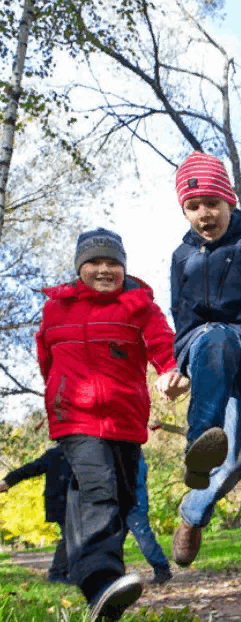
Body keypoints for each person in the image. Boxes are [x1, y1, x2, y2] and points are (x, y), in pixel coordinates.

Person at [36, 228, 188, 621]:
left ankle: (103, 599)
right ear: (79, 268)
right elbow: (46, 359)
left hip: (124, 418)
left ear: (123, 269)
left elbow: (163, 346)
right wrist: (54, 396)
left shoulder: (139, 307)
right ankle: (102, 581)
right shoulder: (57, 309)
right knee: (99, 493)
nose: (104, 270)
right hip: (75, 419)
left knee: (120, 502)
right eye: (95, 262)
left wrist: (173, 372)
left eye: (112, 263)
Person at [169, 152, 241, 568]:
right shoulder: (182, 257)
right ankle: (199, 438)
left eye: (211, 204)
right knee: (214, 339)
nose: (204, 215)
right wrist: (180, 366)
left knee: (233, 463)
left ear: (229, 200)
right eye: (193, 207)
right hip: (206, 346)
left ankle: (191, 515)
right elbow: (181, 316)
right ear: (185, 210)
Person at [0, 445, 72, 584]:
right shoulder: (55, 453)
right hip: (61, 502)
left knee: (79, 536)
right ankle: (57, 574)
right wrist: (8, 481)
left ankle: (71, 572)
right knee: (70, 535)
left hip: (80, 501)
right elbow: (31, 468)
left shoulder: (91, 450)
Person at [125, 450, 172, 586]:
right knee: (142, 533)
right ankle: (161, 567)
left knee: (140, 534)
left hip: (130, 497)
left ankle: (161, 567)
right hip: (137, 497)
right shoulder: (136, 452)